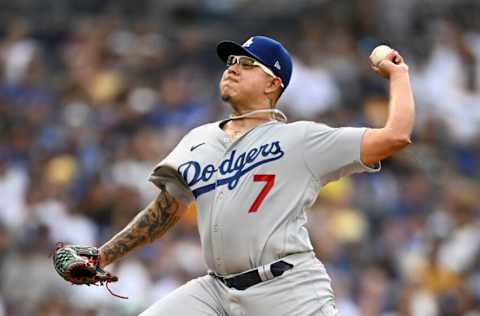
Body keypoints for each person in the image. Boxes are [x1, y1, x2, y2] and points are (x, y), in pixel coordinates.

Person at [96, 35, 415, 315]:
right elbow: (164, 211)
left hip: (287, 288)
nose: (232, 67)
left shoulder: (300, 139)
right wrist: (102, 257)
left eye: (248, 64)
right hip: (216, 291)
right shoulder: (198, 140)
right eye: (232, 61)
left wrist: (398, 75)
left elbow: (395, 136)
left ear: (272, 83)